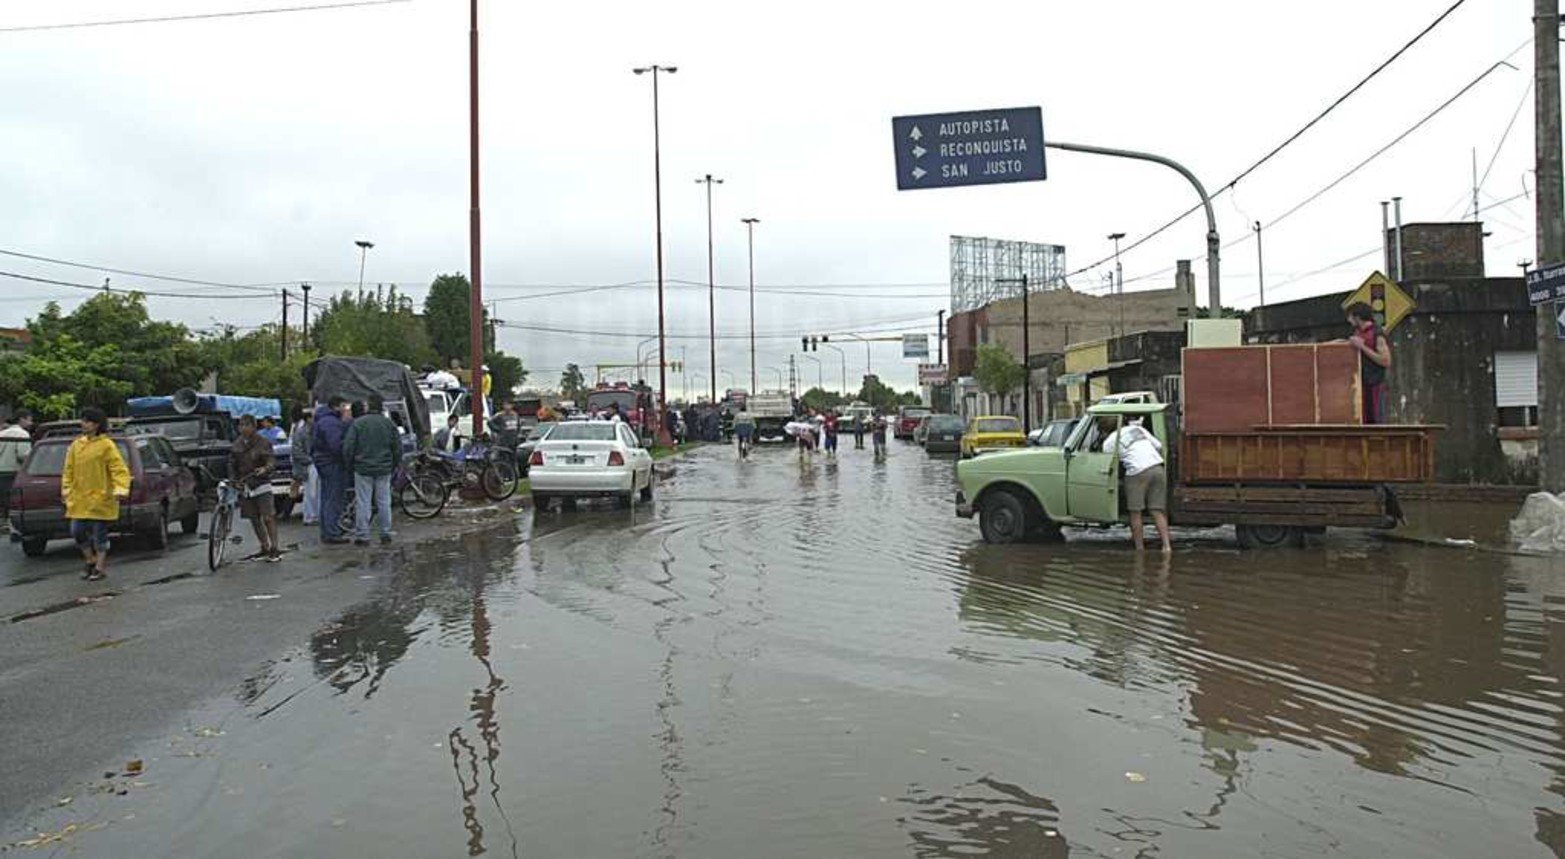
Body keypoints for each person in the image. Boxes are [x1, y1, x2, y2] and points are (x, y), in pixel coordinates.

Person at [62, 407, 130, 581]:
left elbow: (118, 469)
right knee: (76, 531)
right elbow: (68, 470)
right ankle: (90, 560)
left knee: (99, 534)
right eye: (82, 420)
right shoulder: (77, 445)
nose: (83, 424)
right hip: (80, 498)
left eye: (87, 421)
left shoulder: (106, 445)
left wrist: (120, 488)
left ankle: (99, 567)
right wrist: (66, 489)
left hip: (100, 497)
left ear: (96, 424)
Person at [1100, 416, 1172, 554]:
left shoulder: (1109, 441)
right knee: (1157, 510)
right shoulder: (1137, 429)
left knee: (1135, 512)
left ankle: (1140, 549)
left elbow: (1109, 463)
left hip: (1137, 472)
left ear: (1104, 430)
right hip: (1157, 467)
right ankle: (1167, 547)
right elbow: (1158, 445)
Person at [342, 394, 401, 546]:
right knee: (384, 501)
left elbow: (348, 447)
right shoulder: (389, 424)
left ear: (368, 406)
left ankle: (363, 535)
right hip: (384, 468)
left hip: (362, 468)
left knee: (363, 502)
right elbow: (397, 448)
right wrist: (393, 464)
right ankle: (385, 532)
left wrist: (350, 464)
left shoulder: (358, 424)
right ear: (381, 407)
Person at [231, 415, 282, 562]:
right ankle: (264, 545)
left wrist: (266, 469)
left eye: (247, 425)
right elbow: (232, 464)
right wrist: (234, 481)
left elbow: (271, 459)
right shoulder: (236, 444)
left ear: (254, 427)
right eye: (241, 425)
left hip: (262, 483)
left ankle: (274, 547)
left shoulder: (263, 442)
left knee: (268, 516)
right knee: (254, 518)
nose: (243, 428)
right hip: (245, 484)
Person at [312, 396, 353, 544]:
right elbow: (336, 445)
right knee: (333, 498)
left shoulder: (323, 419)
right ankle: (332, 532)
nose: (346, 409)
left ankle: (327, 531)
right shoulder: (331, 423)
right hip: (332, 463)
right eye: (344, 406)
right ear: (337, 406)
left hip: (323, 462)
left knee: (326, 497)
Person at [1346, 303, 1392, 424]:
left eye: (1350, 317)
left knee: (1376, 421)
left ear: (1357, 317)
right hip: (1362, 384)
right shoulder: (1358, 332)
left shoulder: (1377, 334)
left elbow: (1385, 361)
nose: (1349, 320)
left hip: (1375, 384)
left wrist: (1363, 347)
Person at [0, 409, 35, 525]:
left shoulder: (2, 433)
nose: (31, 423)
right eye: (29, 420)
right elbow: (23, 455)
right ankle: (13, 526)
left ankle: (5, 522)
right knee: (14, 502)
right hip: (14, 472)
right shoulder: (22, 434)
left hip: (1, 471)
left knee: (4, 500)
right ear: (22, 419)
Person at [290, 408, 318, 526]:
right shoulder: (301, 432)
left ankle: (312, 515)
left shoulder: (306, 431)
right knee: (311, 492)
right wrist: (310, 461)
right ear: (308, 419)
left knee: (312, 491)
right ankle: (310, 516)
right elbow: (296, 451)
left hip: (309, 464)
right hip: (308, 465)